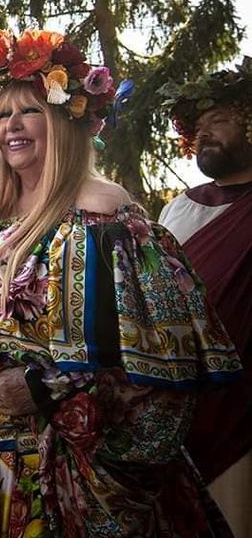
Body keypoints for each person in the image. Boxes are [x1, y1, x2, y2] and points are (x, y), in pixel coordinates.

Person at [0, 30, 242, 536]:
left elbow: (167, 358)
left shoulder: (107, 211)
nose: (11, 126)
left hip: (86, 486)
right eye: (1, 115)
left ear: (65, 117)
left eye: (28, 110)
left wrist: (44, 389)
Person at [158, 57, 252, 535]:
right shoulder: (176, 208)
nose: (206, 133)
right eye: (200, 126)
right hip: (179, 406)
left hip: (243, 409)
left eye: (220, 120)